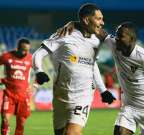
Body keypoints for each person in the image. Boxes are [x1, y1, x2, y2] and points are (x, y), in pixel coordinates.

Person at [55, 21, 144, 135]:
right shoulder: (114, 43)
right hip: (130, 107)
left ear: (131, 39)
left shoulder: (143, 57)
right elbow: (96, 29)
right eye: (116, 35)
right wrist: (73, 24)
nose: (117, 39)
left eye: (121, 36)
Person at [32, 3, 115, 135]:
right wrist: (39, 71)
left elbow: (92, 66)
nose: (102, 22)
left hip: (83, 95)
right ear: (86, 20)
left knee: (72, 133)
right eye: (98, 19)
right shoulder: (65, 34)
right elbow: (39, 53)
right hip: (61, 95)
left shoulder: (96, 40)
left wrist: (103, 90)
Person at [0, 38, 32, 135]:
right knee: (5, 120)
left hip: (24, 96)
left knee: (21, 123)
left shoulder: (30, 58)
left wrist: (35, 85)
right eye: (24, 50)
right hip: (9, 94)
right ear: (17, 48)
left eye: (28, 50)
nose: (26, 52)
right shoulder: (6, 56)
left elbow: (40, 72)